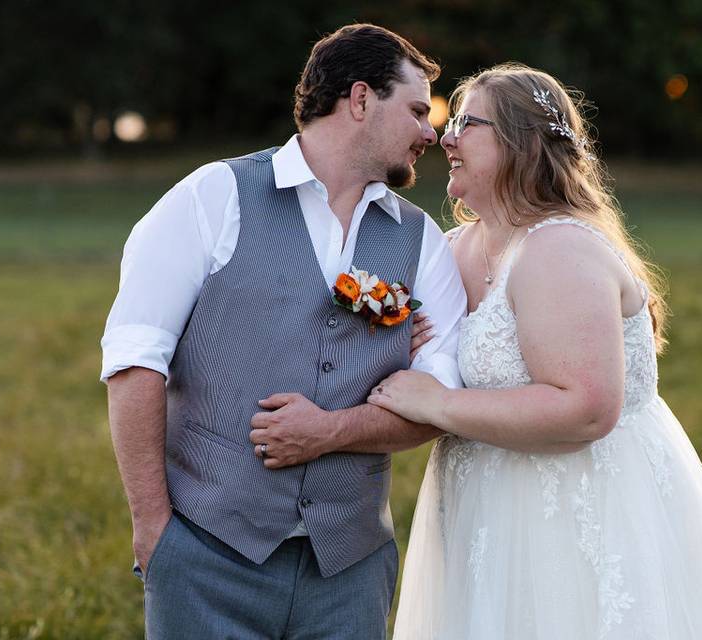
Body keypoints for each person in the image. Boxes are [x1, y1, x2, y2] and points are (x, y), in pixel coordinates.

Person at [368, 63, 702, 639]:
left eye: (467, 123)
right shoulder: (453, 250)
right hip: (484, 515)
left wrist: (438, 404)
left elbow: (586, 408)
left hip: (578, 513)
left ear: (521, 143)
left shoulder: (560, 249)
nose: (446, 138)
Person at [101, 24, 466, 639]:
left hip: (351, 570)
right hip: (206, 557)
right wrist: (155, 534)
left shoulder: (421, 239)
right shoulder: (213, 197)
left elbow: (443, 402)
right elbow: (136, 361)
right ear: (358, 100)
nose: (431, 131)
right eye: (415, 109)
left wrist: (328, 433)